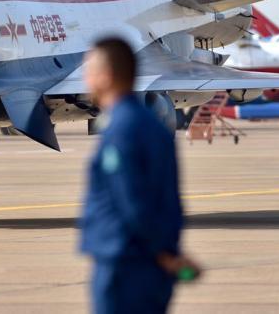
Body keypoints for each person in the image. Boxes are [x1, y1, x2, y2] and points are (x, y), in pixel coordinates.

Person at [79, 37, 200, 314]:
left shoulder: (122, 129)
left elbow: (132, 199)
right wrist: (169, 252)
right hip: (148, 264)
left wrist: (163, 254)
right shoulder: (150, 125)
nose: (86, 79)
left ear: (106, 76)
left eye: (89, 71)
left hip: (126, 264)